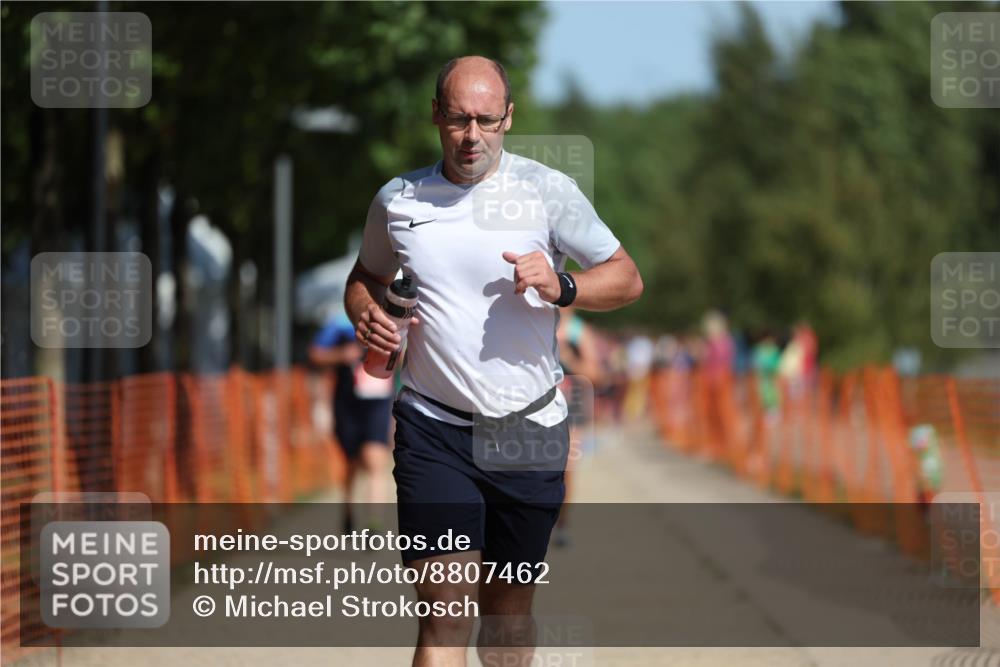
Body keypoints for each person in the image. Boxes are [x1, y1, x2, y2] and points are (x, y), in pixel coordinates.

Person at [344, 56, 643, 667]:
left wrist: (563, 285)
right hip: (433, 429)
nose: (471, 135)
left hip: (527, 431)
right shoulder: (398, 200)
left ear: (509, 118)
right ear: (436, 116)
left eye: (485, 119)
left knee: (507, 616)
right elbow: (365, 276)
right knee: (444, 614)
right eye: (457, 119)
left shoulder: (547, 191)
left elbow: (628, 279)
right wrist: (366, 311)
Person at [308, 311, 394, 533]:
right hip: (347, 404)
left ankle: (374, 524)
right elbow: (315, 354)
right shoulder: (339, 323)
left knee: (375, 461)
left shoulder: (394, 319)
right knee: (351, 464)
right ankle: (348, 510)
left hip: (377, 403)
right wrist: (341, 355)